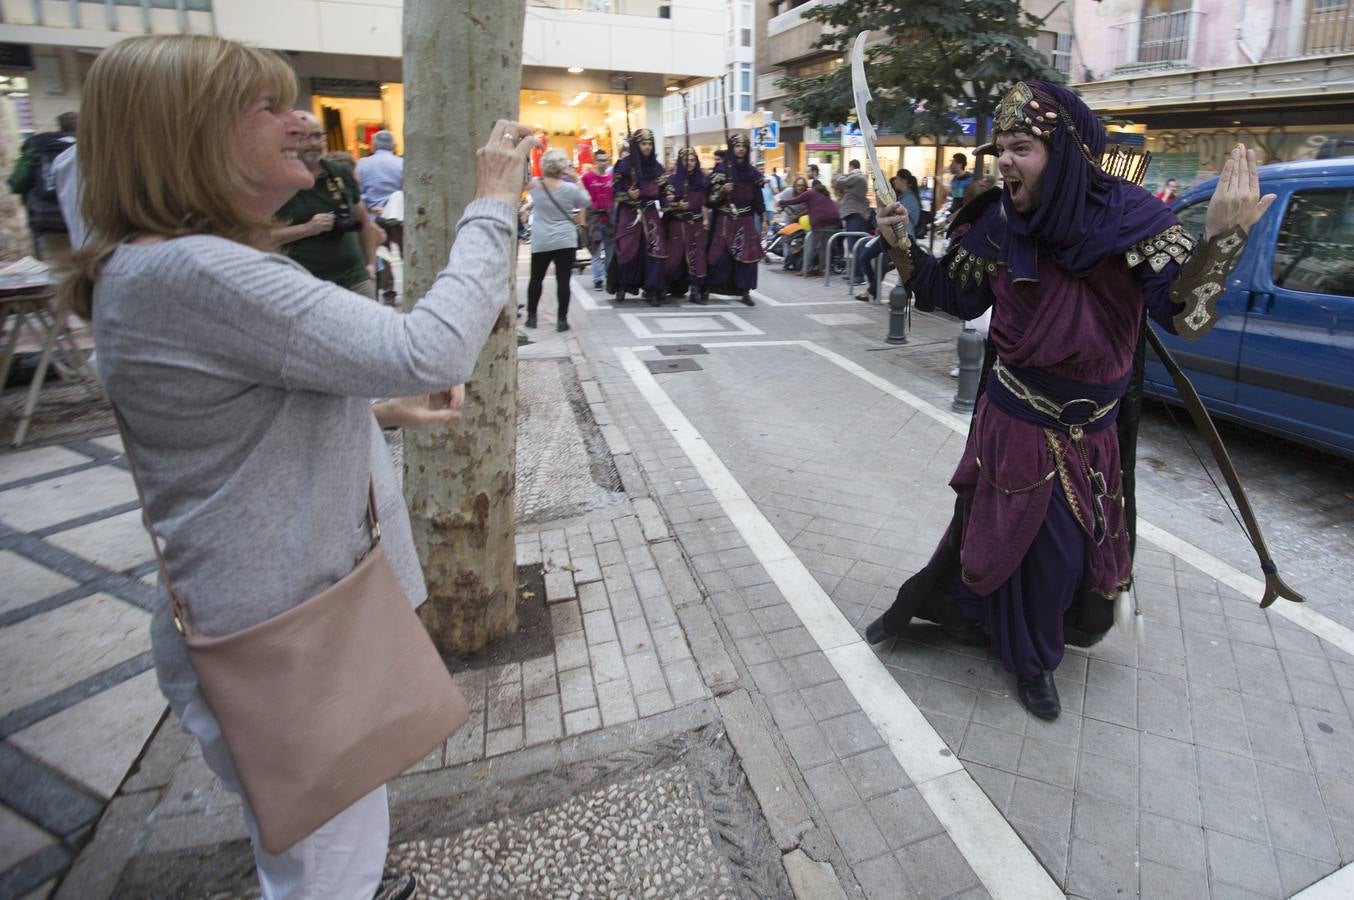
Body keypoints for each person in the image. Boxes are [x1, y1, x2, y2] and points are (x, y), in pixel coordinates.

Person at [60, 34, 538, 899]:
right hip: (288, 637)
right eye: (267, 107)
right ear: (189, 133)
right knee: (328, 866)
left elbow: (227, 419)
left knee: (318, 846)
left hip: (274, 619)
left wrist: (374, 413)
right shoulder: (199, 269)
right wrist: (492, 205)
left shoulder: (156, 265)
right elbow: (428, 346)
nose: (301, 123)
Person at [864, 80, 1272, 721]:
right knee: (997, 541)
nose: (1004, 160)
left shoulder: (1134, 220)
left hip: (1094, 432)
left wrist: (1223, 240)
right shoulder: (998, 223)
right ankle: (1016, 653)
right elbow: (955, 294)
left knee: (1058, 558)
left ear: (1068, 149)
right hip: (1015, 418)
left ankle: (1031, 656)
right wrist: (900, 243)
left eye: (1021, 147)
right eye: (1000, 147)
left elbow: (1184, 319)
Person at [273, 111, 382, 298]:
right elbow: (258, 237)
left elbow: (364, 223)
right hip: (304, 285)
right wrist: (307, 228)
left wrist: (370, 265)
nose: (313, 143)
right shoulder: (274, 179)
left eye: (317, 136)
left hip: (355, 280)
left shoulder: (338, 172)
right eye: (305, 137)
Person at [525, 148, 589, 331]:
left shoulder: (534, 185)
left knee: (536, 278)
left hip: (541, 239)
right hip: (565, 240)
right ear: (562, 166)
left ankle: (532, 317)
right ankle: (562, 320)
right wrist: (577, 179)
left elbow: (518, 186)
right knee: (563, 281)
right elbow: (586, 202)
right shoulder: (569, 188)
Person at [609, 128, 672, 306]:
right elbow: (615, 192)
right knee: (627, 251)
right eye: (644, 144)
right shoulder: (623, 166)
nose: (647, 147)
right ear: (637, 145)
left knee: (655, 253)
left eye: (650, 143)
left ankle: (652, 290)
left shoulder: (657, 168)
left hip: (651, 214)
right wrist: (629, 195)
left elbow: (664, 191)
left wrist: (667, 199)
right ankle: (622, 286)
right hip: (629, 214)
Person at [7, 111, 78, 260]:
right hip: (81, 221)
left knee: (54, 269)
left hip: (47, 221)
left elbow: (17, 183)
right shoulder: (87, 146)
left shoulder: (38, 145)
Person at [705, 132, 764, 305]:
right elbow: (710, 200)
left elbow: (757, 198)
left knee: (747, 257)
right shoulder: (722, 170)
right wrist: (723, 190)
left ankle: (744, 291)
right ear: (732, 148)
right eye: (737, 146)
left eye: (743, 147)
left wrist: (763, 217)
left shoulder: (753, 173)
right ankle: (710, 287)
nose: (740, 150)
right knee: (720, 255)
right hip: (725, 219)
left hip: (745, 219)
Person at [853, 170, 920, 302]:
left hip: (899, 239)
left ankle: (873, 291)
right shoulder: (900, 197)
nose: (894, 181)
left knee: (883, 265)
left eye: (897, 179)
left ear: (903, 180)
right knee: (865, 257)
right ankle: (874, 289)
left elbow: (905, 221)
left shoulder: (909, 199)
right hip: (887, 237)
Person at [355, 129, 405, 296]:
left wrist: (371, 207)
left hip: (374, 217)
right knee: (405, 252)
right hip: (398, 216)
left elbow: (358, 194)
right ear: (394, 146)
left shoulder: (362, 164)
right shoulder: (402, 163)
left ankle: (388, 290)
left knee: (382, 256)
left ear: (373, 145)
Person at [664, 147, 709, 304]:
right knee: (673, 257)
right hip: (677, 224)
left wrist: (700, 215)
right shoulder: (671, 181)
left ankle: (695, 290)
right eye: (686, 160)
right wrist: (676, 204)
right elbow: (665, 203)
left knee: (697, 257)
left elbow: (706, 202)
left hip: (695, 225)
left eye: (692, 160)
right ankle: (669, 286)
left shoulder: (702, 181)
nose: (689, 163)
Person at [778, 178, 841, 277]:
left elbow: (795, 200)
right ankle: (821, 270)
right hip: (834, 221)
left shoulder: (810, 193)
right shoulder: (825, 195)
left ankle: (805, 270)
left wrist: (781, 202)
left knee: (810, 245)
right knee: (824, 247)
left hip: (820, 222)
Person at [581, 150, 614, 289]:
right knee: (595, 250)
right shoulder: (587, 177)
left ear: (608, 161)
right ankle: (598, 279)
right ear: (595, 161)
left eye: (605, 160)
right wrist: (582, 222)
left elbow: (616, 199)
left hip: (610, 217)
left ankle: (610, 276)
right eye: (600, 160)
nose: (602, 163)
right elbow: (583, 200)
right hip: (593, 218)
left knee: (610, 250)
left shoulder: (612, 178)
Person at [832, 159, 871, 242]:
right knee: (856, 244)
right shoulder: (859, 178)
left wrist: (841, 175)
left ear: (851, 167)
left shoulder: (856, 176)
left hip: (854, 215)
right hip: (856, 215)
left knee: (853, 244)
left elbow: (840, 182)